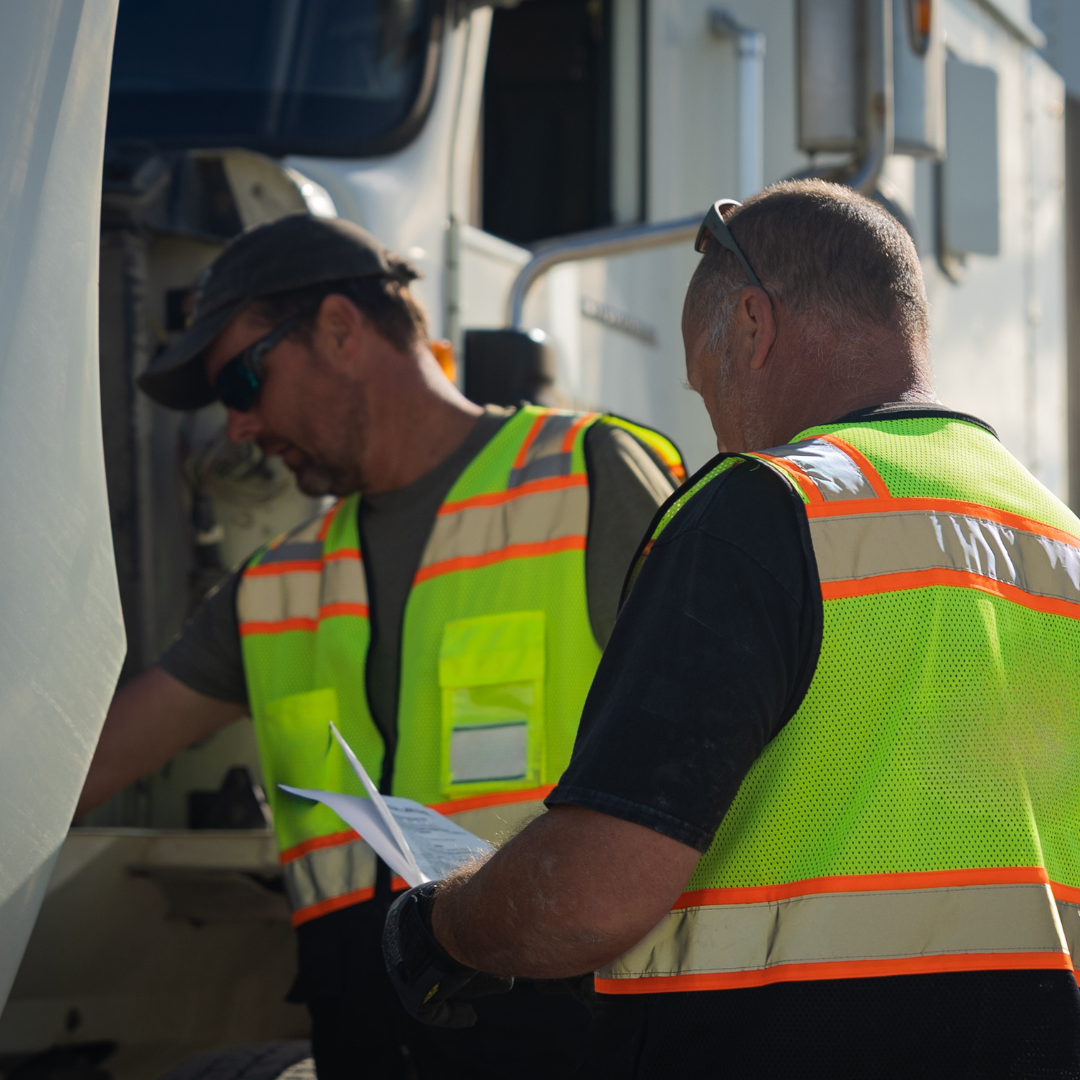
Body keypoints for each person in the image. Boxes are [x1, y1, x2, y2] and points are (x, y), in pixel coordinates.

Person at [383, 180, 1080, 1077]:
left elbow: (594, 897)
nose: (713, 420)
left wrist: (443, 925)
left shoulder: (767, 505)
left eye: (704, 378)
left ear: (752, 323)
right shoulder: (1058, 539)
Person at [77, 213, 683, 1079]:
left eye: (245, 381)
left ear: (338, 327)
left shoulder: (587, 478)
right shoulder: (276, 586)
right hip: (369, 1044)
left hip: (576, 1041)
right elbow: (83, 763)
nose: (237, 427)